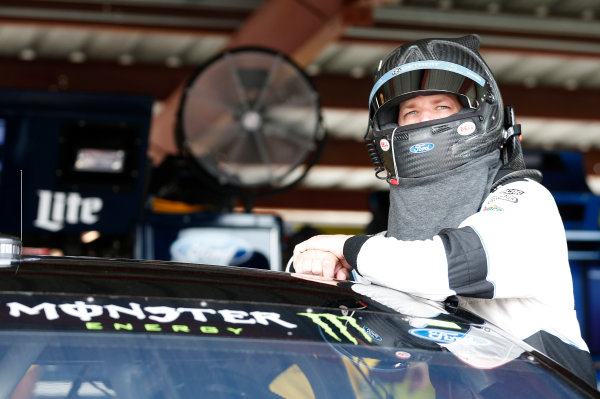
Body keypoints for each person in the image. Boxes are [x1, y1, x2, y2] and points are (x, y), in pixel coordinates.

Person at [292, 34, 597, 386]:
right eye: (411, 113)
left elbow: (450, 264)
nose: (426, 122)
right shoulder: (400, 247)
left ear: (477, 116)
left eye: (442, 107)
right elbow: (377, 349)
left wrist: (344, 248)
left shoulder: (526, 202)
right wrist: (324, 265)